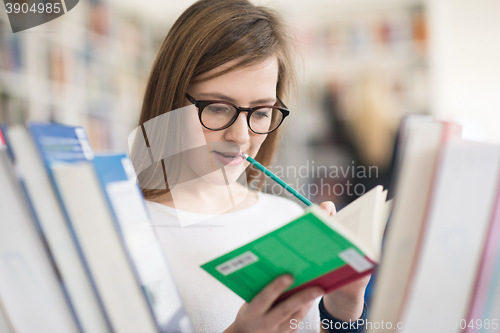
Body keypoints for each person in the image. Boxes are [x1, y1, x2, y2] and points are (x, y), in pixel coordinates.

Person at [134, 0, 370, 332]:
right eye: (217, 108)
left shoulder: (288, 221)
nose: (241, 136)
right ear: (171, 99)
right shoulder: (124, 232)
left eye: (260, 112)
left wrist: (343, 307)